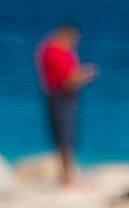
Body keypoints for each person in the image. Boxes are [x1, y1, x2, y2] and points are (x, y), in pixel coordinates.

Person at [36, 27, 94, 187]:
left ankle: (65, 174)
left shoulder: (45, 49)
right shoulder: (59, 52)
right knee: (67, 137)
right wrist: (86, 75)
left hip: (52, 95)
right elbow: (69, 80)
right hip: (63, 98)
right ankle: (68, 177)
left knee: (60, 137)